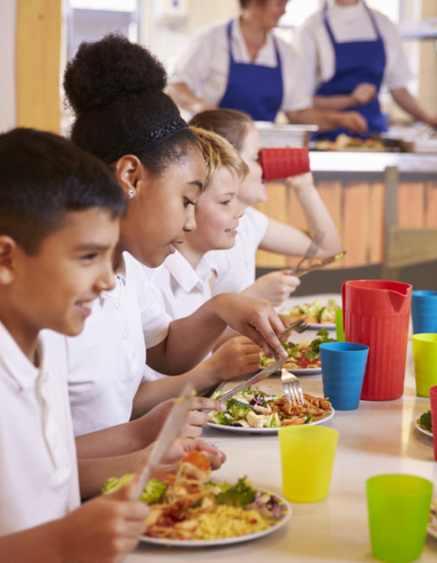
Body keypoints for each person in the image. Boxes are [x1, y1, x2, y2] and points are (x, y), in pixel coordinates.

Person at [0, 128, 207, 560]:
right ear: (5, 260)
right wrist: (61, 542)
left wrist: (142, 456)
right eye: (88, 257)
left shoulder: (42, 340)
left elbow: (44, 477)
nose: (108, 281)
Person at [62, 34, 286, 457]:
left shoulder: (128, 271)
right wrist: (141, 439)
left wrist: (221, 308)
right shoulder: (60, 297)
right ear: (130, 177)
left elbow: (164, 349)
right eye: (186, 200)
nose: (189, 221)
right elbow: (36, 458)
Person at [134, 127, 263, 413]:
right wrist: (214, 368)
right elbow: (130, 402)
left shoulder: (200, 272)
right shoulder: (149, 279)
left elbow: (193, 354)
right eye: (226, 201)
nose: (240, 211)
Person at [190, 108, 342, 306]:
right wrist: (254, 297)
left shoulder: (248, 221)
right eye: (257, 158)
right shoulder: (207, 240)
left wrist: (305, 189)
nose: (266, 167)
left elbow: (326, 247)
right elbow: (193, 332)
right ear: (227, 162)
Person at [167, 0, 366, 133]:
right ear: (255, 2)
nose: (284, 11)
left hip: (260, 154)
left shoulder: (286, 53)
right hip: (211, 150)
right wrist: (199, 106)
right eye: (279, 4)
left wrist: (339, 119)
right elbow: (176, 87)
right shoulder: (211, 40)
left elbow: (298, 113)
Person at [294, 0, 437, 139]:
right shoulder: (312, 28)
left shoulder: (383, 24)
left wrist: (428, 119)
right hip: (326, 139)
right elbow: (301, 103)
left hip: (374, 136)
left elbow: (399, 89)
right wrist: (350, 100)